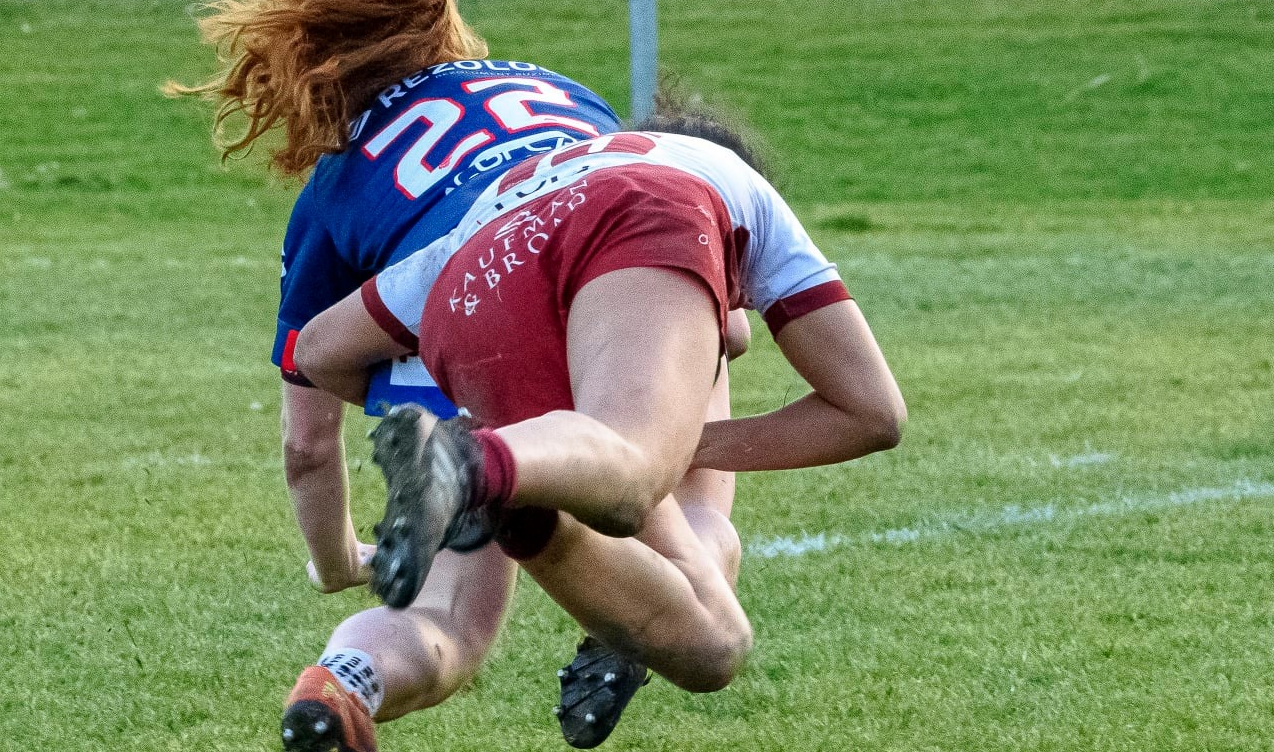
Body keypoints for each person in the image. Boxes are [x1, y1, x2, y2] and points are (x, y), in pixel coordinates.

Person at [170, 0, 735, 752]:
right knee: (688, 453)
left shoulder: (335, 186)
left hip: (448, 343)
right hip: (590, 302)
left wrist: (332, 559)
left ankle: (340, 685)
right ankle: (642, 603)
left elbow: (306, 439)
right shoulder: (555, 91)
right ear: (439, 16)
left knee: (446, 625)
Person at [293, 126, 906, 718]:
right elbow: (872, 412)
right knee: (635, 469)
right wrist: (678, 442)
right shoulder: (726, 182)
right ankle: (473, 465)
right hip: (642, 220)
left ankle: (510, 494)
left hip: (474, 282)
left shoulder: (520, 191)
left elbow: (319, 350)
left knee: (712, 645)